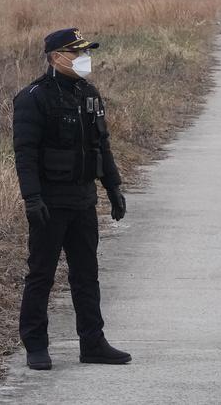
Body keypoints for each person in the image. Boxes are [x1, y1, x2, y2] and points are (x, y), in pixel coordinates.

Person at [13, 28, 132, 371]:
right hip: (50, 202)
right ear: (55, 57)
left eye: (84, 51)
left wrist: (113, 187)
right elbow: (25, 155)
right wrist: (32, 199)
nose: (83, 58)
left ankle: (93, 343)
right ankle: (36, 345)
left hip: (83, 200)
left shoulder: (88, 94)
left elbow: (101, 146)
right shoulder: (33, 97)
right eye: (75, 52)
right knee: (41, 275)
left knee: (86, 275)